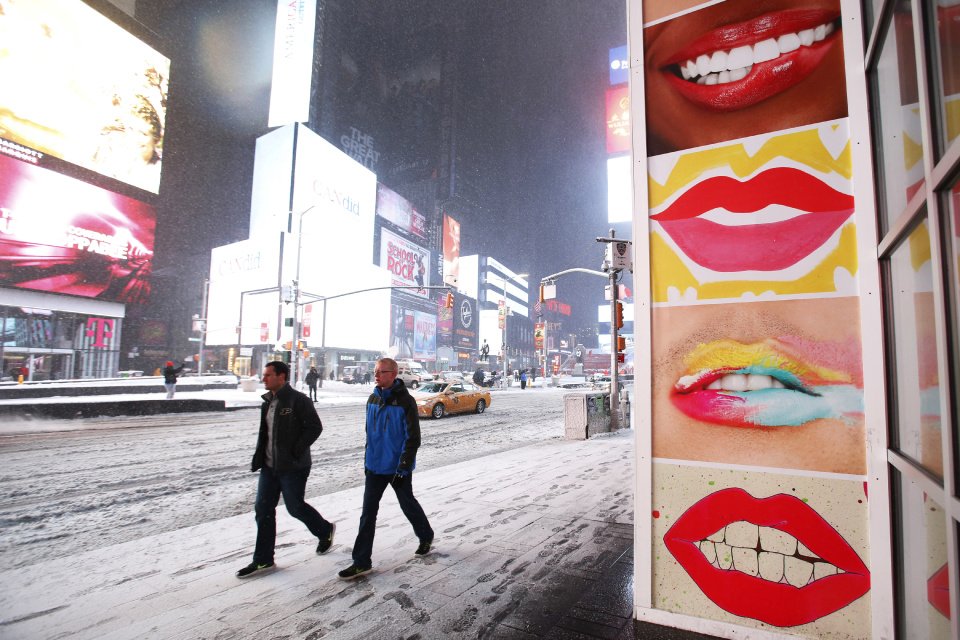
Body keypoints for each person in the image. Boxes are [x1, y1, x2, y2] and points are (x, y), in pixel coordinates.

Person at [236, 361, 336, 579]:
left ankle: (324, 530)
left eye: (268, 375)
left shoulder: (298, 400)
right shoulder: (268, 402)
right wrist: (258, 457)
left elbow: (315, 427)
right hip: (270, 467)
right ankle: (263, 559)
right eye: (264, 375)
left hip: (294, 466)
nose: (264, 379)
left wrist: (296, 450)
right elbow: (265, 434)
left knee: (295, 507)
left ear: (282, 377)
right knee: (263, 510)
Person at [338, 357, 434, 580]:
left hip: (397, 467)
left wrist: (403, 467)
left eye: (381, 372)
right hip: (374, 467)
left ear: (393, 374)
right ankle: (361, 561)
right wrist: (366, 461)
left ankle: (425, 535)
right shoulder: (372, 399)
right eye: (375, 371)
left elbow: (412, 439)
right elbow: (369, 434)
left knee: (407, 504)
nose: (376, 375)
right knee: (367, 514)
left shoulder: (405, 402)